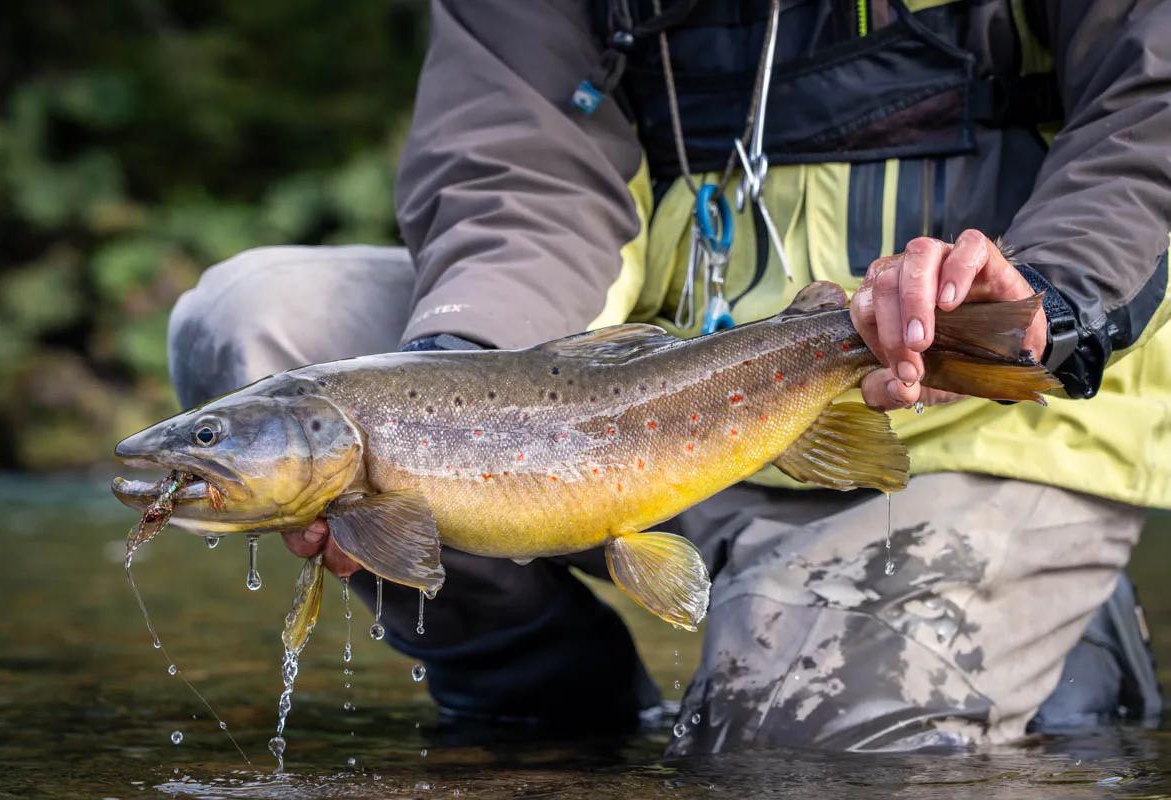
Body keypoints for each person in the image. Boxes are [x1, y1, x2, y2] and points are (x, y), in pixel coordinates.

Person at [166, 0, 1170, 752]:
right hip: (624, 391)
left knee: (783, 746)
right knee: (259, 325)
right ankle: (550, 714)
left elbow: (1149, 110)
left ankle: (1061, 629)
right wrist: (455, 381)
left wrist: (1046, 297)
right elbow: (522, 170)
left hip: (958, 413)